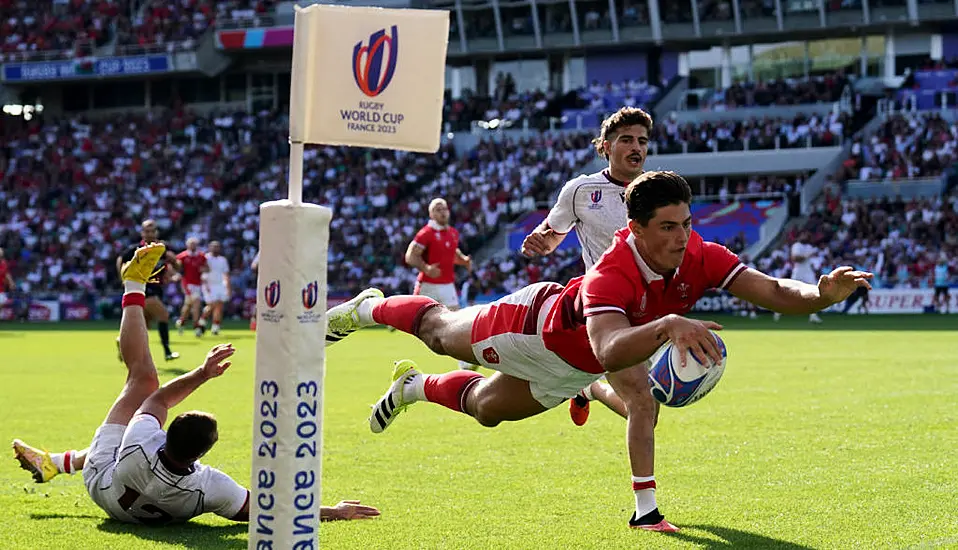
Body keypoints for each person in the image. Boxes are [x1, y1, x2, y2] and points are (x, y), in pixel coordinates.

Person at [325, 171, 872, 532]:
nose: (682, 237)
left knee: (488, 412)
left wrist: (820, 294)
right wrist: (667, 325)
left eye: (686, 224)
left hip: (570, 370)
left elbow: (775, 291)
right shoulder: (611, 271)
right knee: (440, 332)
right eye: (668, 227)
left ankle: (413, 387)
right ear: (635, 228)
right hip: (530, 328)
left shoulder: (700, 254)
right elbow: (610, 348)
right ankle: (365, 308)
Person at [12, 243, 380, 525]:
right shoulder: (210, 488)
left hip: (103, 483)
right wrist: (334, 511)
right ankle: (54, 463)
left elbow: (155, 397)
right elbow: (268, 509)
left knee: (141, 376)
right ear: (202, 455)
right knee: (134, 402)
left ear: (164, 432)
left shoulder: (141, 442)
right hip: (128, 507)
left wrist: (202, 373)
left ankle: (132, 285)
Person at [521, 106, 652, 425]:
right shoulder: (580, 190)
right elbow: (551, 235)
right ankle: (591, 387)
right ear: (606, 146)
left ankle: (588, 387)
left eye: (642, 141)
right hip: (605, 308)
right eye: (626, 139)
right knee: (641, 409)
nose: (636, 147)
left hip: (649, 307)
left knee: (645, 405)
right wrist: (539, 241)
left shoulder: (657, 191)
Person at [400, 197, 473, 369]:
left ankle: (464, 364)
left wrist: (463, 260)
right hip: (428, 284)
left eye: (444, 208)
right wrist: (426, 268)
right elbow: (410, 256)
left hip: (447, 284)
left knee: (457, 321)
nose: (442, 212)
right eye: (438, 209)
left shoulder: (453, 232)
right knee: (411, 318)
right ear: (431, 214)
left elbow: (452, 251)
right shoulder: (426, 233)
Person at [116, 220, 180, 361]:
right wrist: (124, 279)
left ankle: (121, 341)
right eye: (147, 231)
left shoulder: (162, 249)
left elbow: (175, 266)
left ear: (156, 232)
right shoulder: (136, 249)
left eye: (152, 231)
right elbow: (121, 260)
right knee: (163, 315)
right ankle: (167, 352)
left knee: (143, 326)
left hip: (157, 290)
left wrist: (174, 262)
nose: (150, 233)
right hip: (143, 290)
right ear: (142, 232)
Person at [775, 232, 822, 323]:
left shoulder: (809, 247)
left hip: (808, 272)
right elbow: (795, 259)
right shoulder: (797, 245)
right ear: (800, 236)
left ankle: (813, 316)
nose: (806, 237)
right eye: (804, 235)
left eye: (807, 235)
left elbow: (812, 260)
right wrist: (807, 255)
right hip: (798, 273)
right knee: (789, 294)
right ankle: (778, 311)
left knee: (815, 293)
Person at [175, 237, 209, 337]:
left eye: (194, 244)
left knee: (189, 305)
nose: (193, 246)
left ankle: (181, 321)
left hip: (198, 284)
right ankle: (196, 327)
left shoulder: (201, 256)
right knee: (196, 303)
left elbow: (207, 268)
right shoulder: (182, 256)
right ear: (187, 245)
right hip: (187, 283)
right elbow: (176, 267)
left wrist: (203, 269)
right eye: (191, 244)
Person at [201, 241, 232, 336]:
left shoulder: (223, 260)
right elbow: (202, 272)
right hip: (209, 285)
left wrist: (228, 287)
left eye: (217, 247)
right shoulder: (205, 258)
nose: (215, 248)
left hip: (220, 285)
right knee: (211, 306)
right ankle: (201, 321)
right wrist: (205, 284)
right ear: (210, 248)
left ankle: (215, 327)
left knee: (219, 306)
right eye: (214, 247)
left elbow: (226, 274)